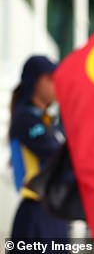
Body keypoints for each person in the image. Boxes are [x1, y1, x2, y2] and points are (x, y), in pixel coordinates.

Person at [9, 55, 69, 242]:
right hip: (35, 214)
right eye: (50, 79)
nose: (56, 84)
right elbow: (56, 154)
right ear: (35, 81)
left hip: (55, 215)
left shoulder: (50, 122)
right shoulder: (24, 118)